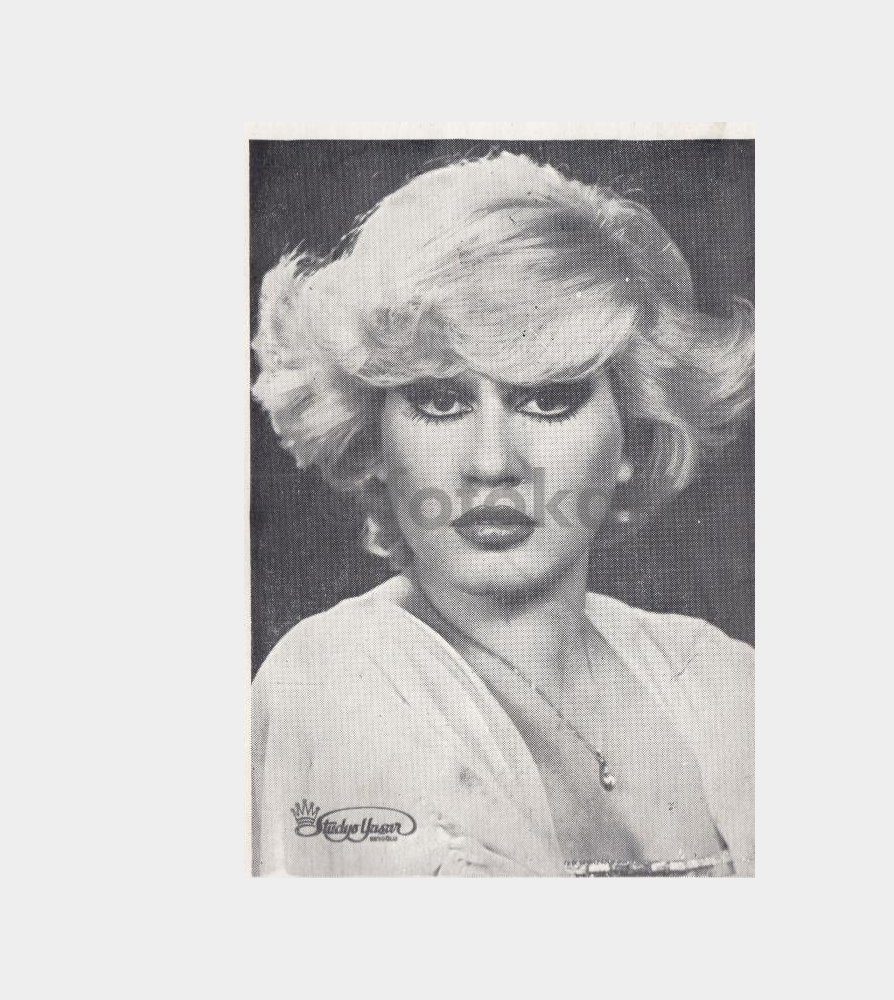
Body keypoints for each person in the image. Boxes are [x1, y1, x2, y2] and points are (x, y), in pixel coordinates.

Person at [251, 151, 754, 877]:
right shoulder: (338, 683)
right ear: (373, 436)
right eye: (439, 400)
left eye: (548, 398)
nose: (491, 462)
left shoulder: (720, 682)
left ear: (634, 434)